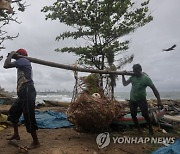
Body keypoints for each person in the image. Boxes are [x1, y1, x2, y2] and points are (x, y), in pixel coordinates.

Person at [3, 49, 40, 149]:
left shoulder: (23, 60)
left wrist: (11, 55)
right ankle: (16, 135)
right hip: (23, 92)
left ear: (20, 55)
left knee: (28, 115)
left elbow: (6, 65)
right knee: (13, 112)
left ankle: (36, 142)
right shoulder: (22, 63)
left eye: (17, 55)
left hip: (28, 90)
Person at [122, 64, 163, 135]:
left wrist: (159, 100)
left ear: (140, 70)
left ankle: (150, 128)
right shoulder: (132, 77)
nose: (135, 73)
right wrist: (123, 75)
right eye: (134, 71)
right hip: (132, 99)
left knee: (145, 114)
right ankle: (139, 129)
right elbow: (125, 84)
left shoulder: (146, 79)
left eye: (136, 71)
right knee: (133, 115)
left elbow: (154, 89)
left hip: (141, 99)